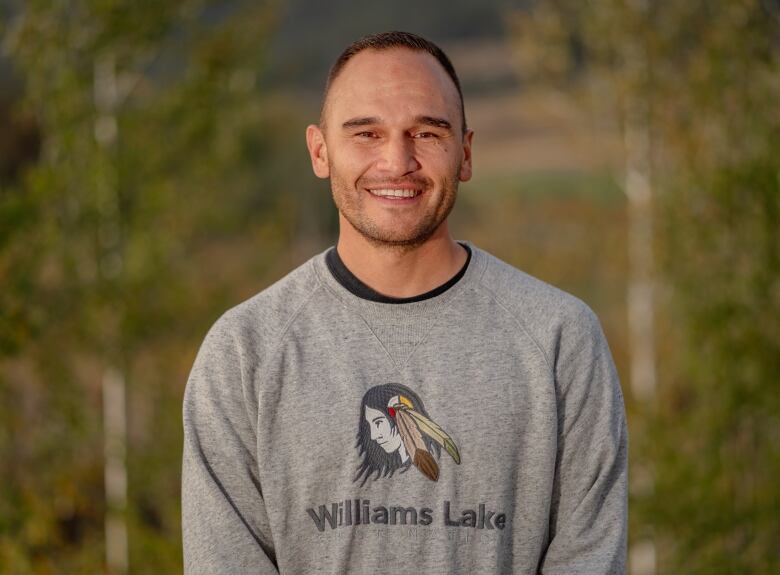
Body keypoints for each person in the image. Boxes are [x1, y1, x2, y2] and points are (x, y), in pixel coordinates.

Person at [182, 31, 628, 574]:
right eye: (367, 133)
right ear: (320, 151)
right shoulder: (244, 353)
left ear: (464, 153)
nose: (398, 161)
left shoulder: (560, 338)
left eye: (427, 132)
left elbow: (589, 560)